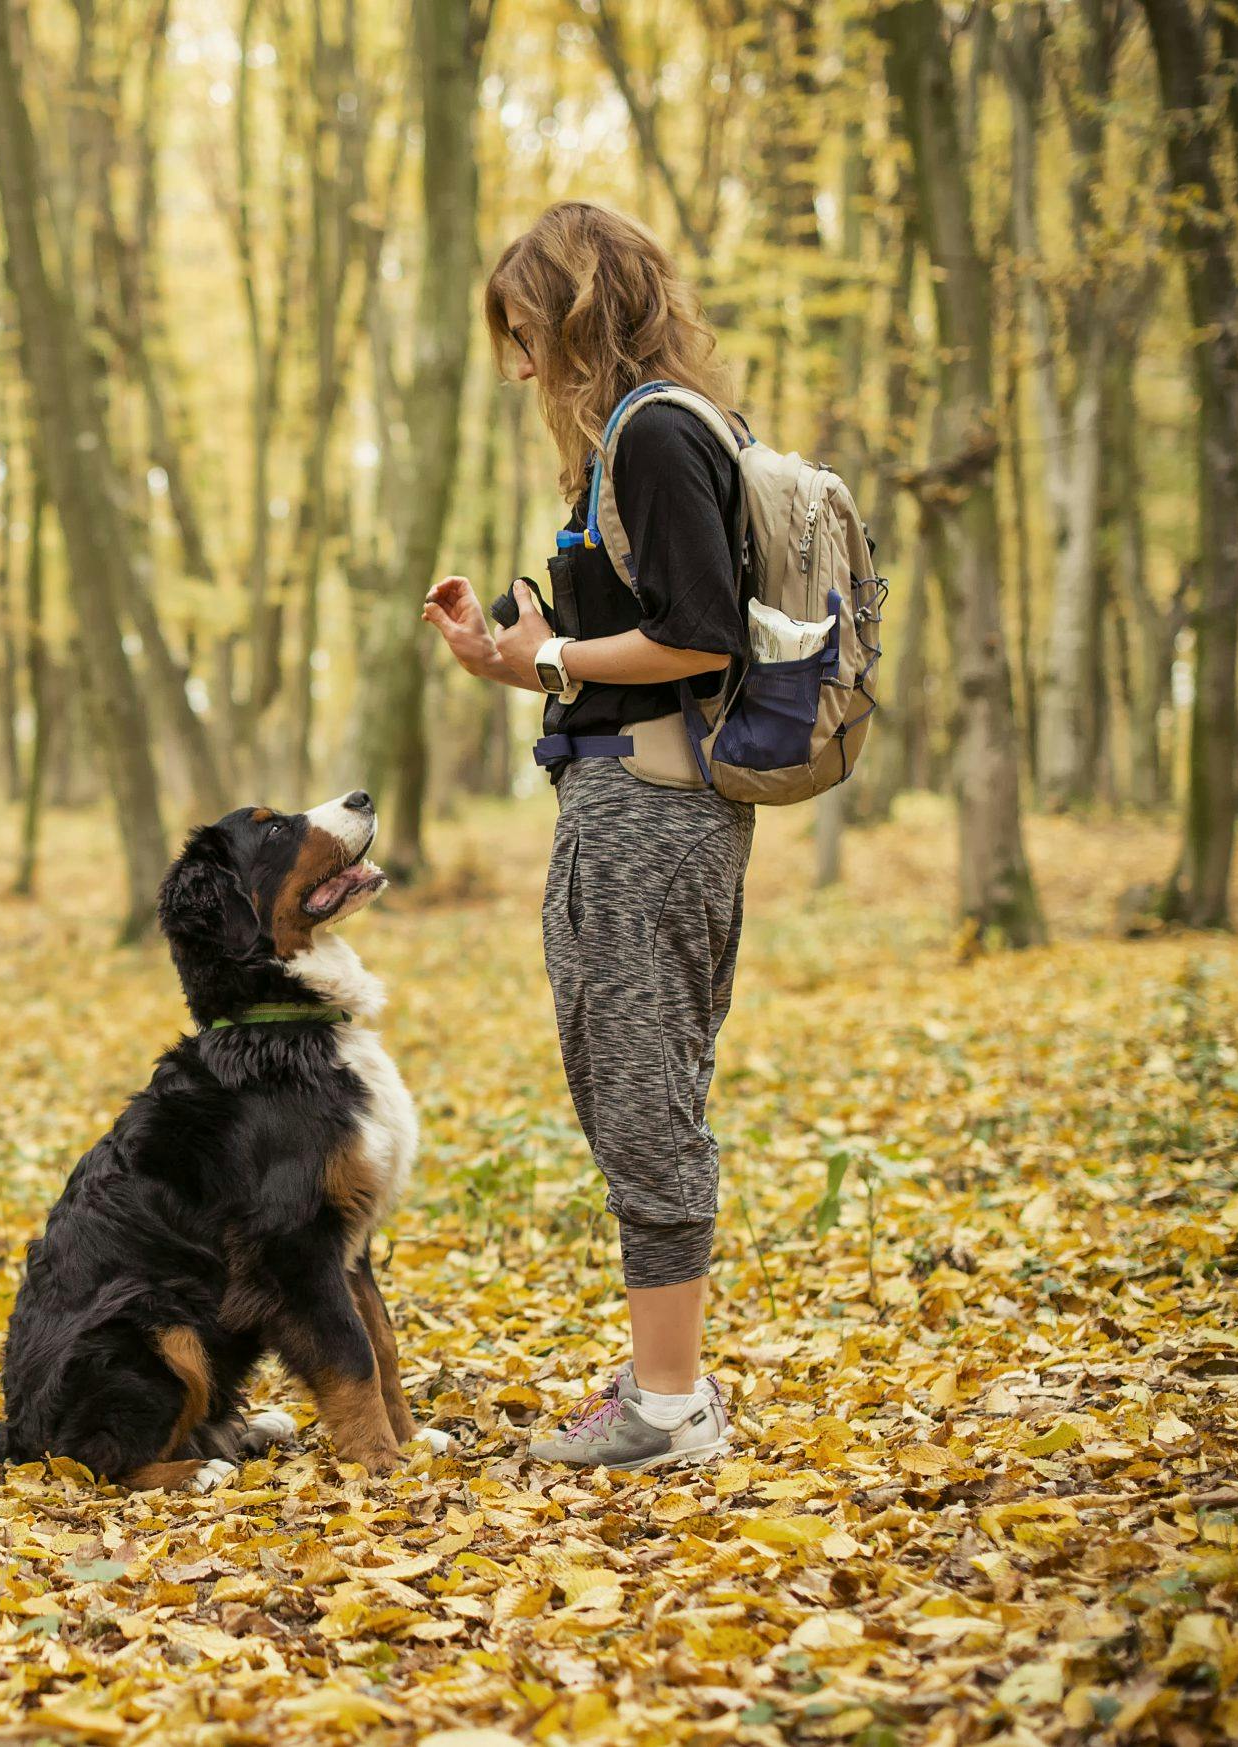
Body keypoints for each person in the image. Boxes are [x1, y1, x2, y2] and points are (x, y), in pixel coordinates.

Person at [421, 201, 751, 1472]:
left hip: (650, 817)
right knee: (637, 1087)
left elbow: (699, 636)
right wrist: (510, 657)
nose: (518, 367)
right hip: (628, 800)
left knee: (640, 1095)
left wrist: (549, 652)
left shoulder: (657, 435)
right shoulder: (635, 440)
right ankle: (663, 1387)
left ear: (579, 315)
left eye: (526, 334)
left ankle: (667, 1408)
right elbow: (623, 655)